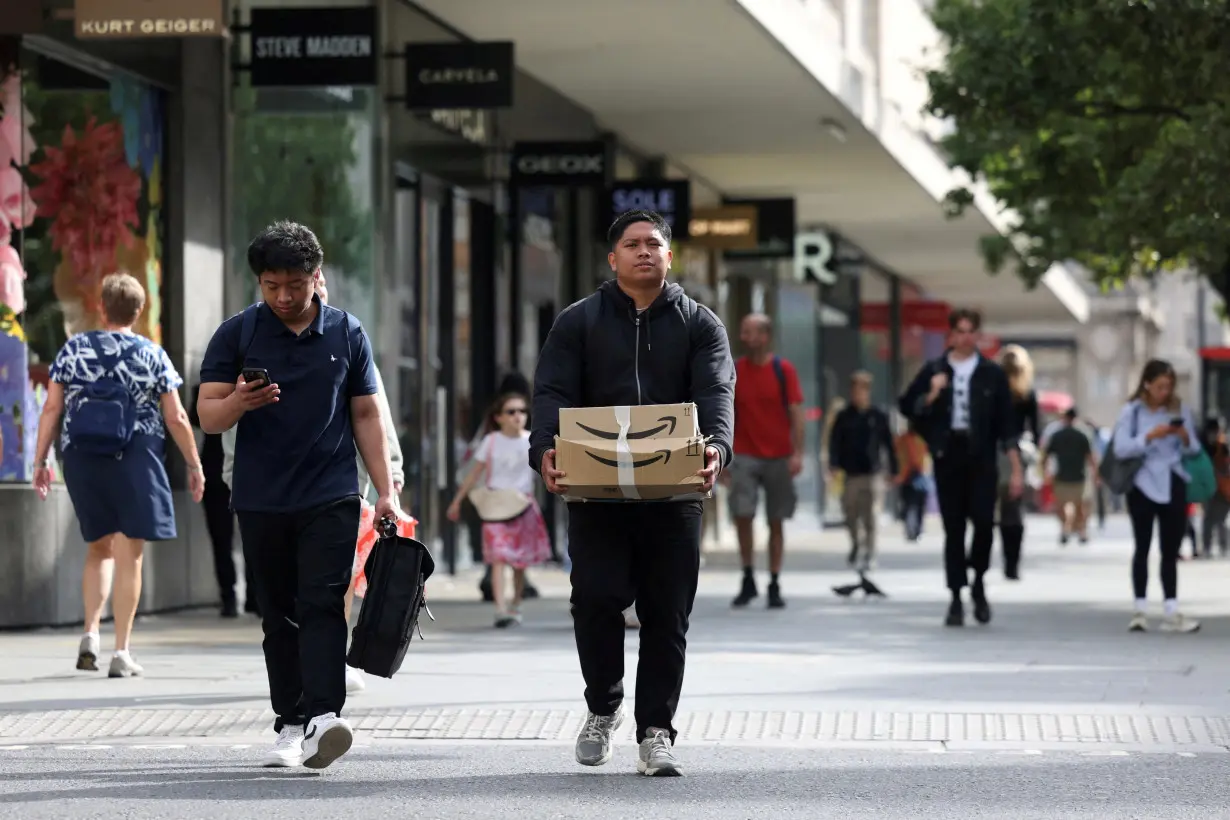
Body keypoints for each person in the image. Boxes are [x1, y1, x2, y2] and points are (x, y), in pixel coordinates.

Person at [197, 221, 411, 770]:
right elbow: (208, 415)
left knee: (322, 603)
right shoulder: (237, 333)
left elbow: (366, 412)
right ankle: (290, 722)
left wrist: (385, 490)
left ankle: (322, 716)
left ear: (318, 277)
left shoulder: (346, 333)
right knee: (279, 615)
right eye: (272, 286)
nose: (285, 297)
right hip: (260, 497)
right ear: (260, 283)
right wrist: (240, 402)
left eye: (295, 284)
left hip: (331, 493)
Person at [530, 209, 734, 777]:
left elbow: (716, 391)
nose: (644, 252)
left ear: (670, 257)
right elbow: (551, 390)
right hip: (598, 493)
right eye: (632, 244)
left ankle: (656, 731)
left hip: (674, 495)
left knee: (667, 613)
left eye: (654, 244)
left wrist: (716, 446)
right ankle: (603, 707)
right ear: (612, 258)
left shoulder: (700, 325)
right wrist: (544, 447)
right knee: (595, 597)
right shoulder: (578, 323)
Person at [219, 270, 405, 696]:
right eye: (279, 291)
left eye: (307, 291)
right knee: (285, 598)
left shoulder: (347, 336)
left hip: (341, 485)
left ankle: (327, 672)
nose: (296, 303)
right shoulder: (249, 342)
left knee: (330, 586)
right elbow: (232, 425)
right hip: (270, 494)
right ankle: (299, 693)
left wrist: (388, 479)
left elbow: (373, 414)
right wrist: (235, 477)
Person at [31, 272, 205, 677]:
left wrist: (40, 461)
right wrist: (194, 464)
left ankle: (90, 631)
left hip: (82, 457)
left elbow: (52, 410)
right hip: (135, 457)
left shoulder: (73, 350)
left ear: (101, 307)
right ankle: (121, 651)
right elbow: (177, 416)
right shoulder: (151, 354)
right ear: (139, 311)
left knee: (99, 547)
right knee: (132, 553)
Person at [898, 307, 1022, 628]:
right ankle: (956, 596)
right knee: (953, 528)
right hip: (947, 453)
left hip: (981, 455)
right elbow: (906, 406)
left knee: (983, 523)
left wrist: (1016, 467)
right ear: (950, 335)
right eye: (960, 331)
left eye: (971, 331)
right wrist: (932, 393)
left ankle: (978, 581)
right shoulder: (935, 369)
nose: (965, 337)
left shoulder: (991, 373)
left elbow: (1007, 424)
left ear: (978, 335)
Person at [1111, 359, 1200, 633]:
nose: (1165, 392)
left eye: (1169, 386)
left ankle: (1171, 609)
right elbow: (1121, 448)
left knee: (1170, 549)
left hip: (1173, 481)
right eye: (1160, 386)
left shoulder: (1178, 408)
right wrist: (1149, 437)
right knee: (1142, 545)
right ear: (1147, 384)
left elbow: (1194, 450)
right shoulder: (1132, 412)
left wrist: (1183, 435)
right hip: (1142, 483)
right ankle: (1140, 608)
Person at [448, 392, 551, 627]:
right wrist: (457, 501)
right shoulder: (491, 441)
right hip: (495, 508)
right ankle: (501, 609)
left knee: (519, 563)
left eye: (522, 411)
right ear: (499, 417)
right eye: (511, 412)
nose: (518, 416)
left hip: (522, 507)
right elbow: (474, 474)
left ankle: (515, 603)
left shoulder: (532, 441)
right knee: (497, 558)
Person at [725, 313, 804, 609]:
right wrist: (722, 456)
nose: (744, 337)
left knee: (776, 520)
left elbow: (796, 413)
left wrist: (797, 453)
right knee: (742, 516)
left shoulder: (784, 370)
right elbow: (724, 414)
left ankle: (773, 581)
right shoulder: (734, 370)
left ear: (765, 336)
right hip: (743, 454)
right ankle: (747, 577)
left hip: (778, 456)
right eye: (743, 331)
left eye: (750, 332)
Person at [189, 383, 257, 618]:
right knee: (222, 538)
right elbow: (197, 418)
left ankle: (253, 598)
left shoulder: (259, 385)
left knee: (255, 537)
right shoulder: (207, 388)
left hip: (249, 469)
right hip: (217, 471)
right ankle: (229, 597)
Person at [827, 371, 897, 570]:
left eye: (861, 390)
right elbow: (835, 442)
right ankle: (856, 544)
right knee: (850, 515)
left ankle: (871, 553)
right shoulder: (844, 417)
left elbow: (888, 444)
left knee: (871, 516)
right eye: (855, 389)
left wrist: (893, 469)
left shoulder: (878, 416)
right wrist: (833, 464)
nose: (858, 394)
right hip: (850, 474)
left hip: (873, 473)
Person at [997, 345, 1040, 579]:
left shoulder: (994, 391)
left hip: (996, 454)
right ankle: (1012, 563)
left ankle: (1003, 560)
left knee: (993, 512)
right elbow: (1036, 429)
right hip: (1020, 456)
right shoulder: (1028, 393)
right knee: (1014, 512)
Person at [1039, 408, 1099, 544]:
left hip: (1061, 476)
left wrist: (1045, 473)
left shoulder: (1057, 435)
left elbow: (1045, 456)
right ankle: (1081, 531)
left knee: (1062, 506)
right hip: (1079, 476)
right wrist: (1096, 474)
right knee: (1080, 506)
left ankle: (1066, 528)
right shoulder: (1082, 435)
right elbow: (1091, 457)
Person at [894, 419, 930, 542]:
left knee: (912, 504)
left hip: (911, 476)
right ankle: (914, 529)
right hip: (912, 475)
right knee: (915, 505)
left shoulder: (906, 439)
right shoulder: (910, 440)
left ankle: (913, 529)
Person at [1198, 417, 1230, 557]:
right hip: (1218, 487)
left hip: (1218, 487)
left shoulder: (1218, 447)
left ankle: (1213, 547)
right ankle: (1217, 546)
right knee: (1214, 519)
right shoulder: (1217, 447)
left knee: (1212, 519)